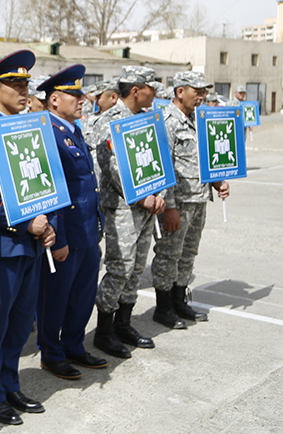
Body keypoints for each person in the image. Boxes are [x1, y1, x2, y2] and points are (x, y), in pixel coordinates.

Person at [0, 50, 57, 426]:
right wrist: (25, 224)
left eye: (25, 84)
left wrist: (49, 224)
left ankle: (10, 383)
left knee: (20, 323)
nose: (23, 91)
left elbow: (45, 183)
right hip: (3, 246)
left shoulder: (32, 129)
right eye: (15, 84)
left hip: (32, 244)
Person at [34, 65, 110, 380]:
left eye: (82, 95)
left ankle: (74, 345)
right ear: (54, 100)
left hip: (87, 229)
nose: (82, 100)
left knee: (82, 295)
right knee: (55, 297)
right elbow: (50, 189)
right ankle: (51, 353)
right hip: (67, 232)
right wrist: (59, 238)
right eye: (74, 95)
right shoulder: (46, 132)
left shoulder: (73, 129)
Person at [90, 66, 167, 358]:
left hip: (147, 206)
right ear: (136, 90)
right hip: (122, 206)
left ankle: (123, 324)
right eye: (151, 88)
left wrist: (159, 194)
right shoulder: (109, 121)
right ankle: (104, 331)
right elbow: (111, 166)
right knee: (120, 267)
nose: (155, 93)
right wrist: (142, 196)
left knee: (136, 268)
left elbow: (158, 160)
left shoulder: (147, 119)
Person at [152, 71, 230, 328]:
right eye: (197, 91)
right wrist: (169, 207)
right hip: (178, 203)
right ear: (180, 92)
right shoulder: (166, 122)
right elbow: (164, 167)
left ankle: (179, 301)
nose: (202, 96)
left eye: (204, 91)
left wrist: (218, 181)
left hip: (199, 198)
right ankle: (163, 307)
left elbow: (205, 157)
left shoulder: (199, 120)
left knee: (188, 253)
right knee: (168, 253)